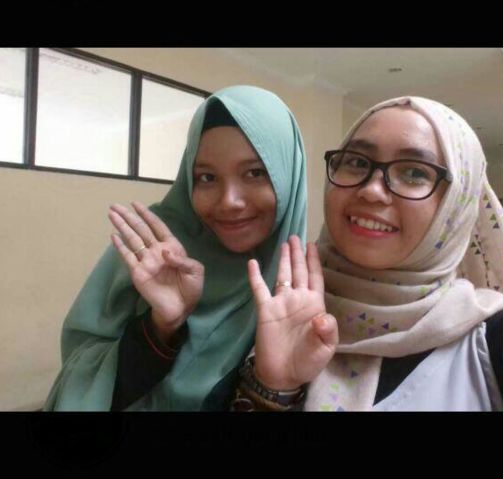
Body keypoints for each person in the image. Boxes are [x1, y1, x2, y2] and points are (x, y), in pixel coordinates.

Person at [242, 95, 503, 411]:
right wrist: (274, 388)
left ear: (456, 205)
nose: (372, 190)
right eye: (357, 162)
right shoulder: (280, 311)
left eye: (415, 172)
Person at [44, 85, 307, 411]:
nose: (229, 201)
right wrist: (159, 328)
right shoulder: (153, 248)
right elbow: (78, 377)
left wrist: (277, 385)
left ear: (288, 176)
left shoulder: (307, 290)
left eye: (255, 173)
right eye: (207, 177)